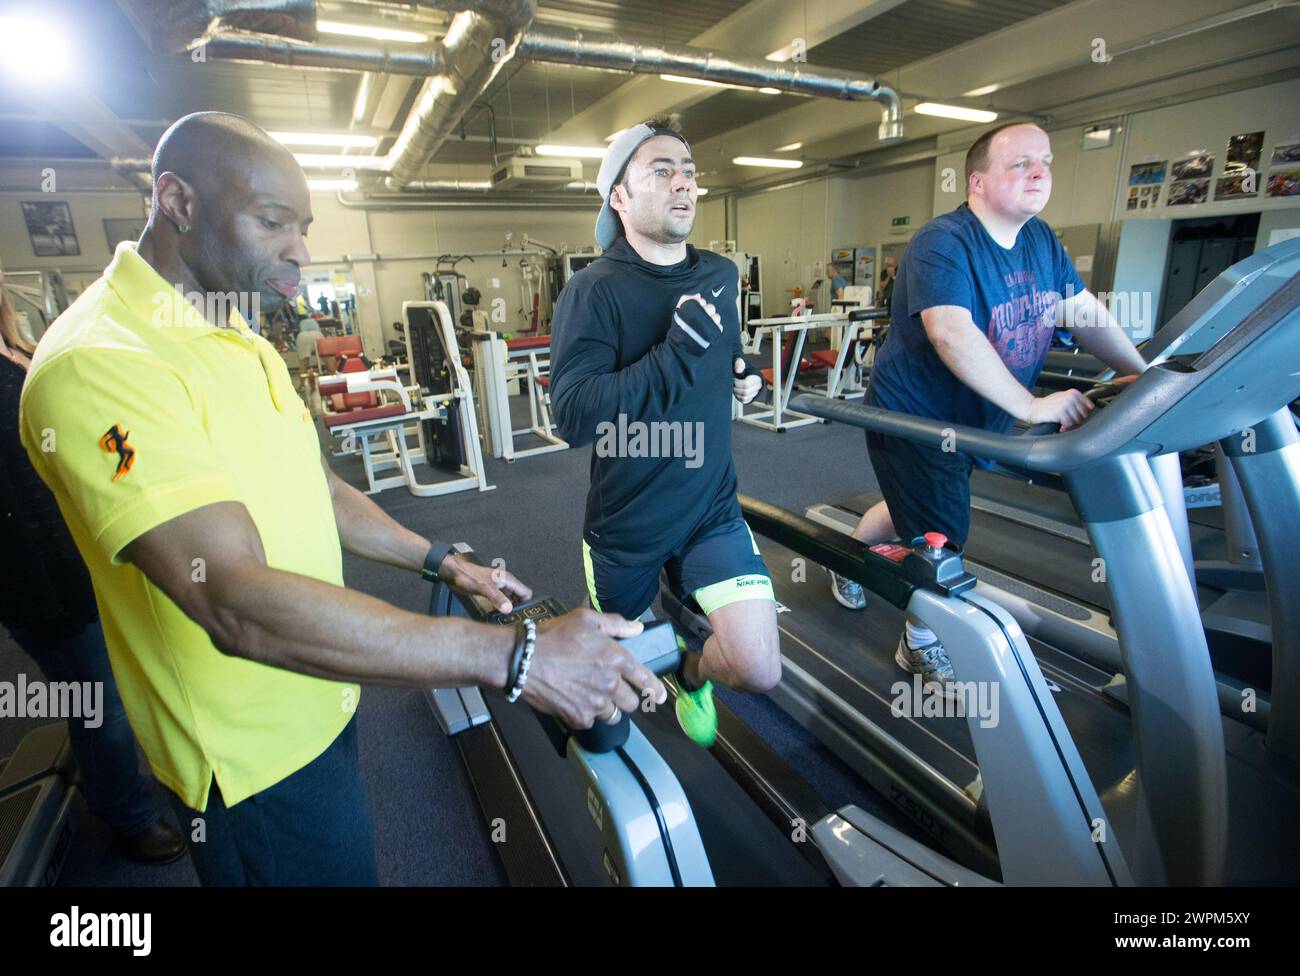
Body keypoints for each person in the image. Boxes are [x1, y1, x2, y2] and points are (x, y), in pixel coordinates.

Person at [19, 112, 661, 886]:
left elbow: (312, 484)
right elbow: (233, 600)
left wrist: (440, 560)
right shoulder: (101, 363)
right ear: (176, 201)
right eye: (272, 221)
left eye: (305, 225)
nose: (300, 250)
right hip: (248, 757)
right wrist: (517, 656)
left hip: (319, 690)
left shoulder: (235, 331)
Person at [828, 123, 1146, 697]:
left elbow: (1083, 313)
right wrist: (1030, 404)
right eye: (1020, 163)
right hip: (917, 419)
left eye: (1045, 162)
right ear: (977, 181)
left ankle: (847, 557)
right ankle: (918, 643)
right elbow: (951, 332)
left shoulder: (1042, 241)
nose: (1039, 172)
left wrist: (1142, 376)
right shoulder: (943, 241)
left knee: (914, 506)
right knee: (944, 531)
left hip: (980, 422)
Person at [549, 118, 776, 748]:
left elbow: (723, 352)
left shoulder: (721, 275)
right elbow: (571, 417)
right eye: (661, 171)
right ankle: (659, 642)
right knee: (605, 723)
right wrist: (672, 358)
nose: (683, 184)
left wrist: (741, 373)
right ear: (618, 198)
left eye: (689, 171)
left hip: (711, 506)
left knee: (758, 666)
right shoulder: (593, 292)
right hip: (628, 525)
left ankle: (692, 671)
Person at [0, 266, 186, 867]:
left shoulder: (24, 348)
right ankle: (127, 816)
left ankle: (140, 780)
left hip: (90, 553)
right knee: (95, 702)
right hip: (39, 579)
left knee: (127, 677)